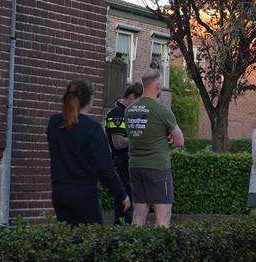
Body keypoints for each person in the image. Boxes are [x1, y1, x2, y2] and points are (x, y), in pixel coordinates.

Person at [46, 80, 129, 225]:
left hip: (59, 191)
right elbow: (105, 169)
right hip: (84, 194)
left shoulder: (54, 123)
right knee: (90, 239)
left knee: (66, 238)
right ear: (90, 100)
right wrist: (121, 195)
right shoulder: (93, 129)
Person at [124, 70, 184, 227]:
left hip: (135, 166)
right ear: (158, 85)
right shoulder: (162, 110)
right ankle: (159, 250)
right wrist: (167, 144)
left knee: (139, 214)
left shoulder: (129, 110)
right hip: (157, 167)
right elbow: (179, 141)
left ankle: (136, 248)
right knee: (163, 215)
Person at [105, 81, 143, 224]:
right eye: (139, 101)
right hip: (121, 165)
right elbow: (119, 143)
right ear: (132, 96)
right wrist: (139, 137)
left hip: (129, 164)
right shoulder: (117, 114)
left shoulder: (128, 113)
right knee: (124, 208)